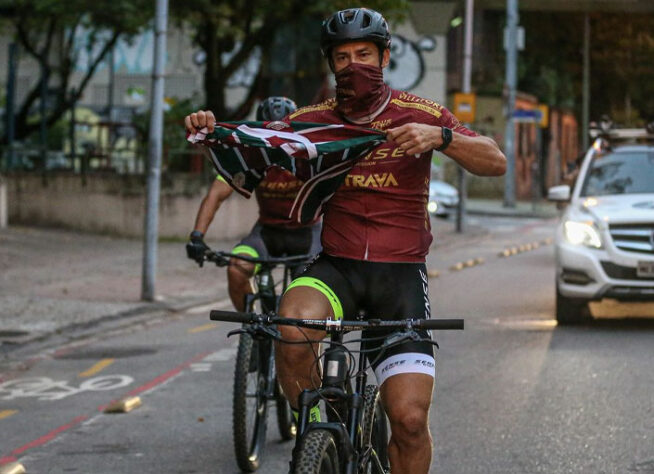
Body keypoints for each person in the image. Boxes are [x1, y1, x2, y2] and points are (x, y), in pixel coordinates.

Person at [184, 8, 506, 473]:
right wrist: (211, 130)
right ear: (330, 64)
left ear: (385, 56)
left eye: (364, 54)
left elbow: (494, 161)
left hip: (400, 282)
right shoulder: (311, 121)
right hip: (337, 268)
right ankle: (321, 428)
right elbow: (254, 145)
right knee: (290, 325)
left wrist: (441, 136)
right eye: (342, 57)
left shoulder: (422, 114)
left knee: (410, 421)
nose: (353, 64)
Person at [185, 96, 321, 311]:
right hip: (267, 233)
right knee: (236, 268)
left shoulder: (308, 159)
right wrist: (197, 236)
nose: (275, 140)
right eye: (267, 133)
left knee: (305, 291)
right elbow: (215, 195)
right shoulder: (251, 161)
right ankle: (253, 330)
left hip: (307, 234)